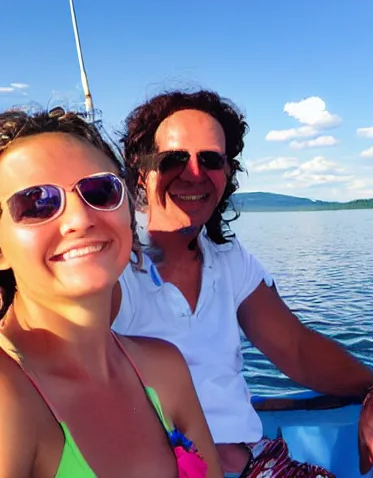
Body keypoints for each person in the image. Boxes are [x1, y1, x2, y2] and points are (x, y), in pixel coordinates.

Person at [112, 89, 373, 478]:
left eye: (211, 159)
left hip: (255, 463)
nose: (194, 172)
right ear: (141, 168)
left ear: (227, 172)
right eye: (175, 158)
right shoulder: (113, 269)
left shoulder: (227, 260)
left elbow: (296, 348)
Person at [0, 107, 223, 478]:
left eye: (100, 191)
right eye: (36, 203)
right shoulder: (8, 398)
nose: (80, 219)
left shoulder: (165, 368)